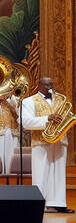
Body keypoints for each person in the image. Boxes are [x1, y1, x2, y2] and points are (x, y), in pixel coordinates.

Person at [22, 77, 74, 213]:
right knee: (41, 173)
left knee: (59, 173)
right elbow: (26, 122)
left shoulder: (61, 100)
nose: (49, 87)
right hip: (41, 142)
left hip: (60, 140)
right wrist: (47, 119)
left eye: (51, 84)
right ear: (39, 85)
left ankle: (59, 203)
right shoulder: (29, 101)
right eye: (46, 85)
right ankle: (39, 204)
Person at [0, 93, 19, 173]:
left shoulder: (12, 96)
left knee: (12, 162)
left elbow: (18, 115)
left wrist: (9, 103)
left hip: (12, 130)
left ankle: (11, 178)